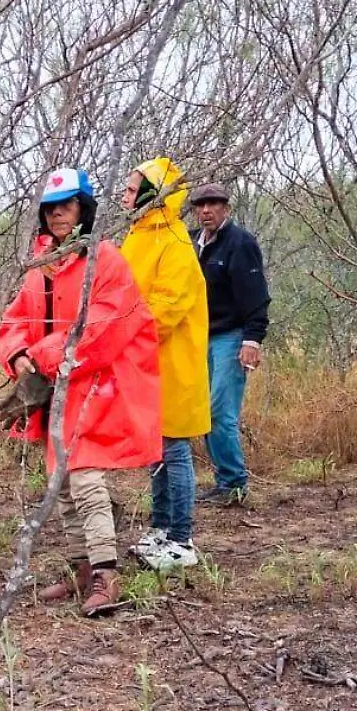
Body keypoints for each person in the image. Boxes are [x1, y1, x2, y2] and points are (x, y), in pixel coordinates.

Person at [0, 168, 162, 616]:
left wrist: (43, 354)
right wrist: (17, 357)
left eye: (66, 206)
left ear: (83, 208)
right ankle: (81, 570)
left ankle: (107, 575)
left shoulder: (104, 259)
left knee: (86, 479)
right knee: (63, 483)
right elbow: (13, 322)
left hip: (94, 389)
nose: (57, 215)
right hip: (54, 393)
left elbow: (106, 326)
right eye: (50, 208)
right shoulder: (41, 263)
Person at [118, 157, 207, 570]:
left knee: (173, 449)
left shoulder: (173, 241)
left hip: (170, 364)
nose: (125, 194)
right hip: (142, 363)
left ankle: (181, 540)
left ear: (154, 194)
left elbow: (166, 309)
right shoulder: (138, 236)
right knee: (156, 449)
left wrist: (121, 331)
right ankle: (160, 529)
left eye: (133, 188)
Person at [189, 182, 269, 506]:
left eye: (213, 204)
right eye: (200, 205)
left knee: (221, 410)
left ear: (226, 208)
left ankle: (234, 484)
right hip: (199, 337)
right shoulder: (193, 244)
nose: (206, 210)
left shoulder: (241, 243)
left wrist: (253, 339)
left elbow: (256, 296)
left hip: (232, 336)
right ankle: (224, 481)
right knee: (202, 412)